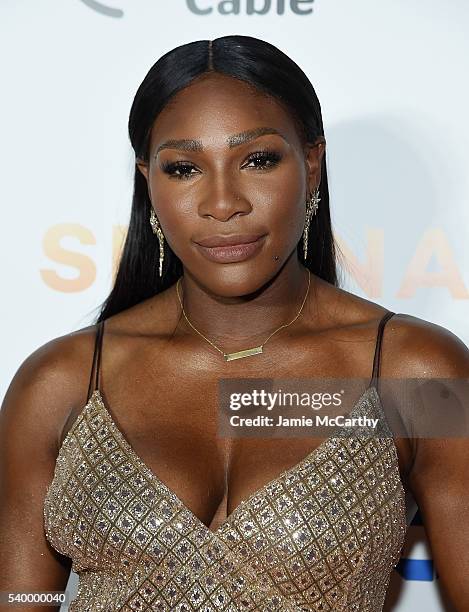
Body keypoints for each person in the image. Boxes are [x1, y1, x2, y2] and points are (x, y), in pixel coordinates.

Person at [1, 35, 468, 611]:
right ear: (149, 183)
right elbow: (19, 600)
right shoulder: (61, 381)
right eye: (184, 168)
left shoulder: (414, 375)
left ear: (312, 165)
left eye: (258, 160)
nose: (223, 203)